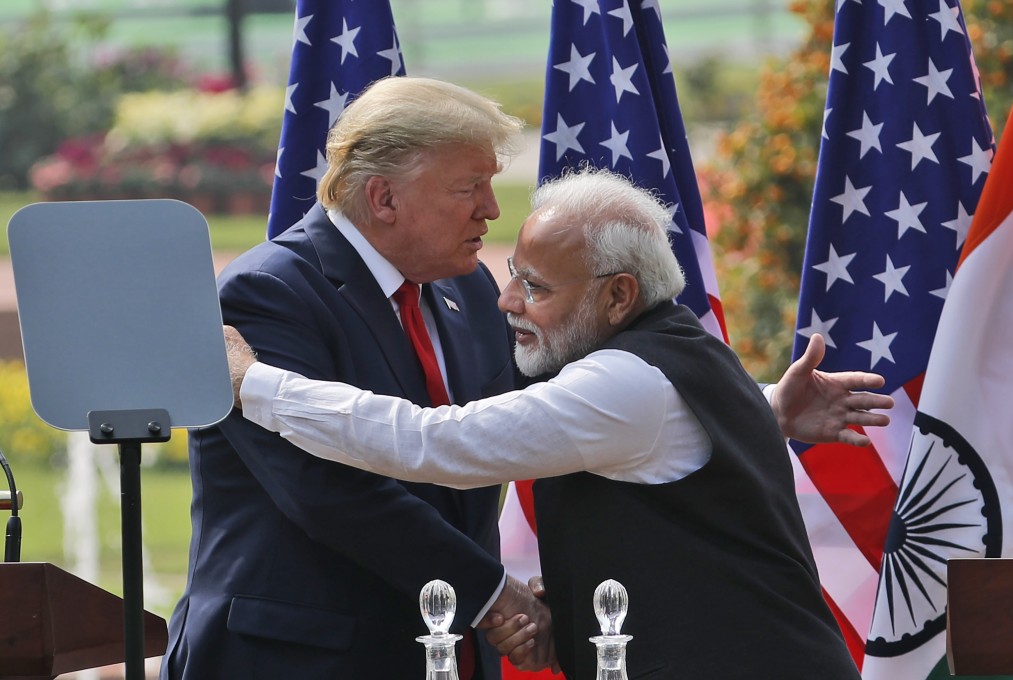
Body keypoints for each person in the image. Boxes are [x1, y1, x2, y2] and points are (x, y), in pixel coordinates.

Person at [225, 168, 891, 679]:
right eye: (513, 275)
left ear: (618, 295)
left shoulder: (623, 382)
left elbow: (434, 442)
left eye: (536, 287)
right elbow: (669, 447)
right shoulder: (673, 351)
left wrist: (256, 385)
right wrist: (766, 408)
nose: (506, 300)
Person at [161, 76, 554, 680]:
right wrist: (492, 595)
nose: (492, 208)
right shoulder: (269, 293)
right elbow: (328, 489)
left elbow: (525, 426)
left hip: (444, 651)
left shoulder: (468, 286)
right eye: (468, 187)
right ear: (384, 199)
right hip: (299, 659)